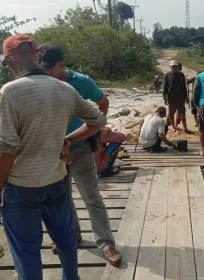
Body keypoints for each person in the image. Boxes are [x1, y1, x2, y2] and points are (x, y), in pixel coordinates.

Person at [0, 34, 106, 280]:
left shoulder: (9, 92)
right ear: (38, 56)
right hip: (57, 181)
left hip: (22, 187)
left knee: (27, 251)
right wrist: (69, 140)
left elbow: (6, 149)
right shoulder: (65, 89)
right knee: (66, 239)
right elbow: (98, 119)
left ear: (8, 63)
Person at [40, 44, 122, 266]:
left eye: (50, 68)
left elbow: (103, 104)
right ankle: (71, 237)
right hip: (53, 152)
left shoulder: (82, 82)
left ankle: (106, 243)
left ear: (62, 65)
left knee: (91, 196)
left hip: (80, 148)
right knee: (62, 198)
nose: (45, 72)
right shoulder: (38, 83)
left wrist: (95, 131)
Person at [163, 60, 191, 133]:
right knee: (171, 114)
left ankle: (185, 128)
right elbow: (165, 88)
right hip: (171, 98)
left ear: (177, 67)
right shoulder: (167, 75)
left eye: (176, 66)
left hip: (181, 98)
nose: (174, 68)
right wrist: (164, 98)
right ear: (170, 67)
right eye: (173, 66)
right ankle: (173, 127)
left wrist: (186, 97)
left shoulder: (181, 75)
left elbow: (184, 87)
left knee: (182, 113)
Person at [175, 62, 190, 128]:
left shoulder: (171, 74)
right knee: (181, 112)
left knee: (176, 111)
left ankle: (175, 125)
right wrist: (187, 96)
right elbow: (185, 87)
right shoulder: (181, 75)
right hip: (180, 97)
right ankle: (182, 126)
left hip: (174, 97)